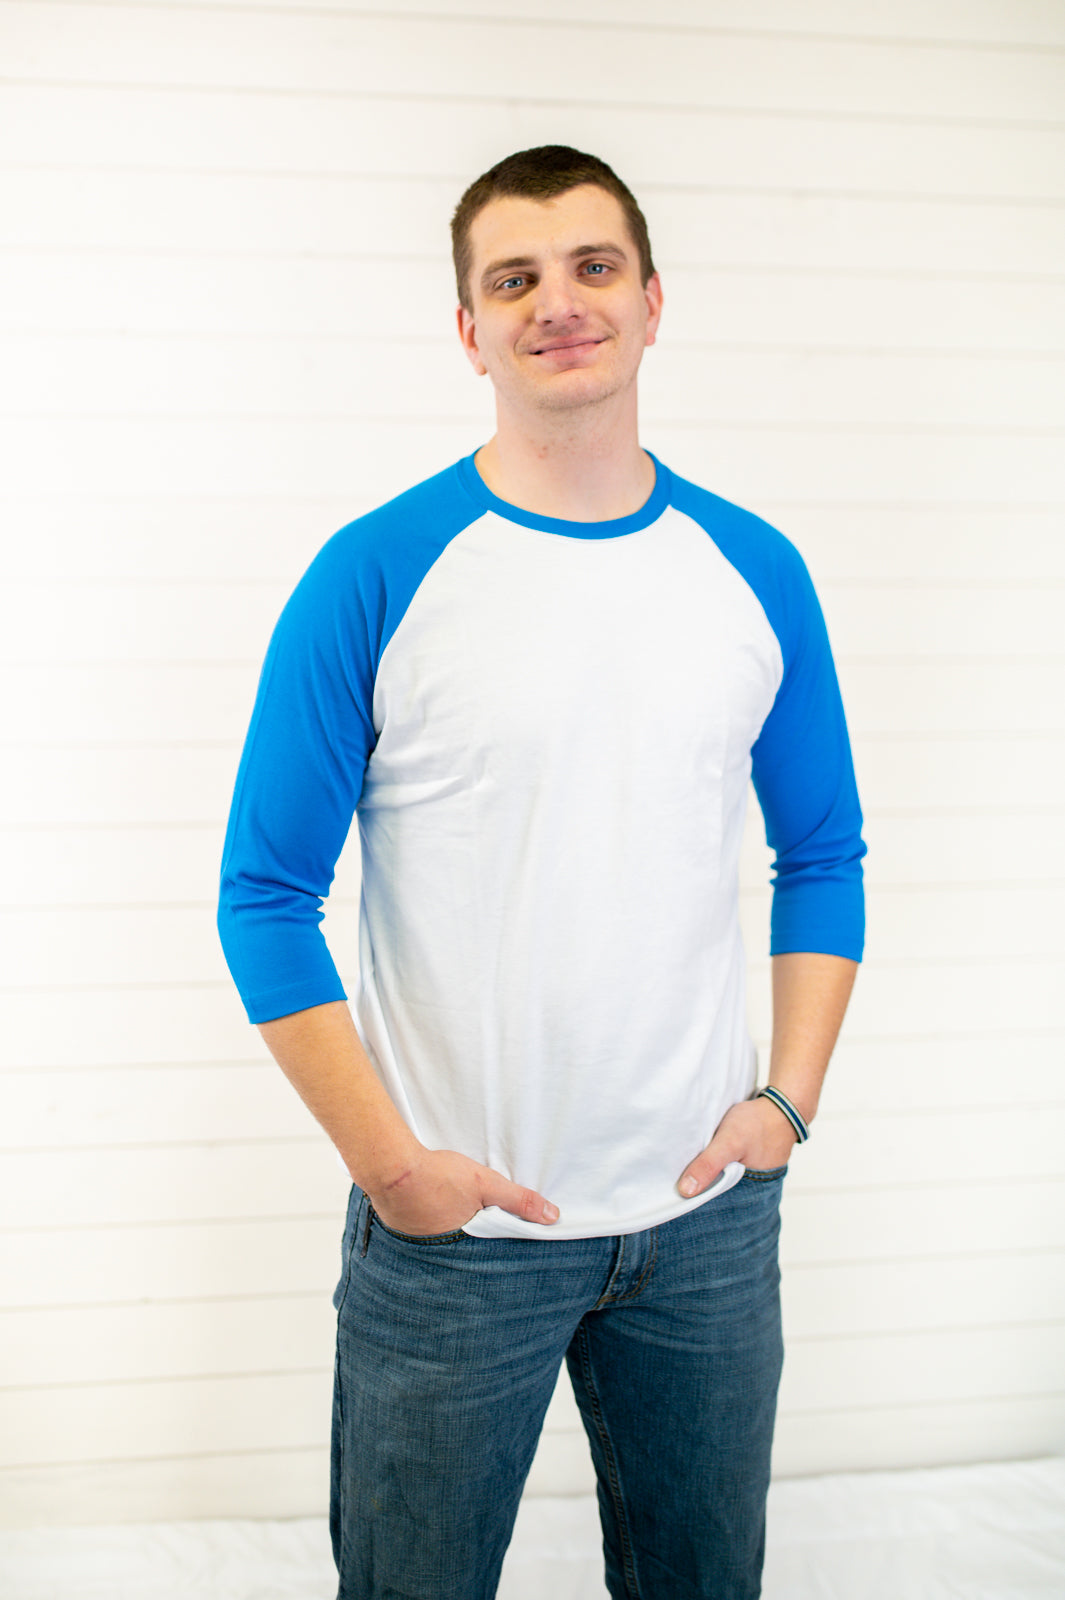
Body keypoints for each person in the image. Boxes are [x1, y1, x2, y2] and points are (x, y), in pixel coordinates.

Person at [218, 145, 865, 1600]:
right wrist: (394, 1171)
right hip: (458, 1237)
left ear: (651, 302)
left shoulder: (754, 569)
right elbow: (263, 897)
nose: (556, 303)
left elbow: (823, 854)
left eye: (592, 267)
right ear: (469, 330)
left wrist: (787, 1104)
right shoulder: (376, 571)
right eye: (513, 279)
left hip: (705, 1228)